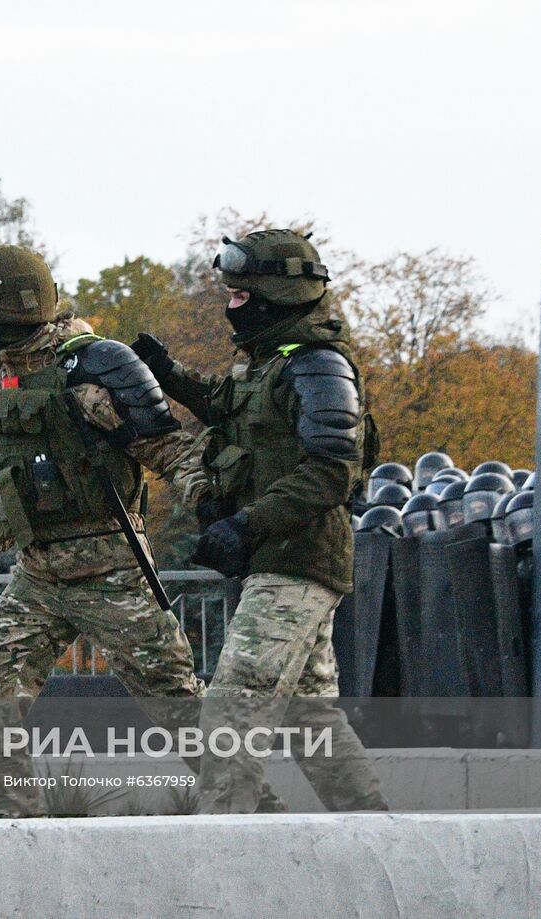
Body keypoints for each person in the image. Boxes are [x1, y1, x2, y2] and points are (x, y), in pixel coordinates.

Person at [0, 244, 210, 817]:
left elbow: (166, 447)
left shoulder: (94, 367)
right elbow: (3, 477)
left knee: (180, 710)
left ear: (11, 304)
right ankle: (19, 832)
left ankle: (262, 815)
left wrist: (222, 512)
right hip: (37, 578)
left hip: (113, 574)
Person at [132, 228, 388, 814]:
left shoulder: (320, 367)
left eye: (241, 296)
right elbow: (228, 405)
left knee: (231, 712)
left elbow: (332, 470)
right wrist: (167, 373)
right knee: (309, 720)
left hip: (296, 563)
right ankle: (379, 840)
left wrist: (246, 524)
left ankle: (224, 854)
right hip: (276, 562)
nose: (230, 306)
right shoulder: (271, 364)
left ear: (277, 295)